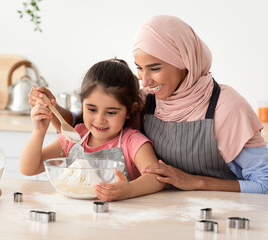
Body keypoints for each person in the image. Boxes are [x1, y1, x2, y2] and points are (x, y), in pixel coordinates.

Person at [29, 15, 268, 195]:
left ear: (185, 60)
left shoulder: (227, 107)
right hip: (163, 213)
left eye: (155, 68)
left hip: (224, 216)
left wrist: (195, 182)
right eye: (139, 68)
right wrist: (51, 107)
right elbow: (90, 126)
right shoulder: (146, 101)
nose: (145, 80)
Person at [20, 59, 166, 201]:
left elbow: (156, 178)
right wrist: (39, 129)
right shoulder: (75, 136)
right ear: (82, 104)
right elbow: (30, 168)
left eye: (111, 112)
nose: (99, 119)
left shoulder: (133, 142)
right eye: (91, 109)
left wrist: (128, 190)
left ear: (130, 110)